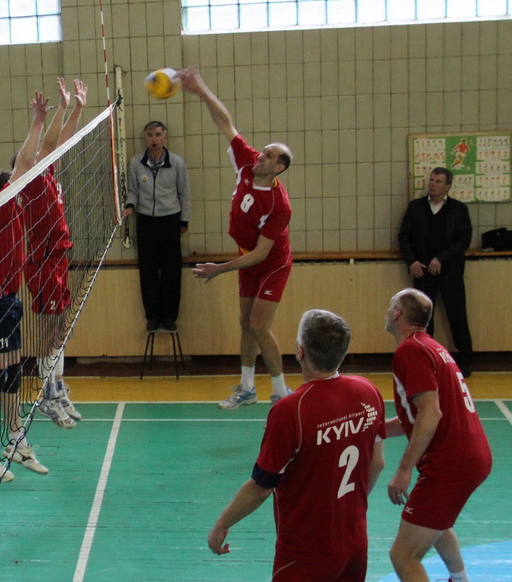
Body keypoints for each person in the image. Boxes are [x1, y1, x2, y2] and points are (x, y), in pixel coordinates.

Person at [207, 309, 386, 581]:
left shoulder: (291, 411)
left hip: (305, 551)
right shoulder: (368, 391)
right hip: (355, 540)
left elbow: (260, 487)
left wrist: (222, 524)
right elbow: (377, 463)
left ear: (300, 352)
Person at [178, 67, 293, 407]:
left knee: (259, 325)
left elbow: (262, 253)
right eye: (263, 151)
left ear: (279, 167)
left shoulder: (278, 204)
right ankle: (246, 388)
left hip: (271, 264)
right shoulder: (247, 163)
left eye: (269, 155)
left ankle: (281, 392)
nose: (261, 155)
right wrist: (201, 90)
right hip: (247, 257)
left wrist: (219, 269)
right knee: (245, 322)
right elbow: (225, 123)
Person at [0, 91, 52, 482]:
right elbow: (25, 164)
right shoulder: (0, 210)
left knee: (14, 369)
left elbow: (27, 166)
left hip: (8, 300)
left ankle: (15, 439)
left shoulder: (1, 210)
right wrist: (38, 120)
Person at [383, 289, 492, 582]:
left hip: (451, 463)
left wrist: (404, 470)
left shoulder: (410, 351)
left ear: (398, 313)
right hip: (470, 456)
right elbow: (417, 416)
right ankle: (460, 579)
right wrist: (374, 430)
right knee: (435, 522)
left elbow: (430, 413)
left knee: (403, 556)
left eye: (391, 306)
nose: (388, 311)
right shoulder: (432, 347)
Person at [19, 78, 87, 430]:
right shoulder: (30, 180)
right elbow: (46, 144)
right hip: (44, 262)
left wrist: (75, 108)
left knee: (61, 325)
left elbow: (60, 142)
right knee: (49, 327)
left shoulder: (48, 173)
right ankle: (46, 392)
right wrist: (54, 111)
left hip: (58, 258)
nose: (45, 155)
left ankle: (57, 386)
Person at [398, 167, 473, 376]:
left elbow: (463, 240)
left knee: (457, 315)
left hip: (450, 271)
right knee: (423, 319)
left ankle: (465, 360)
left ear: (447, 186)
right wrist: (412, 261)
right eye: (431, 180)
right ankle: (425, 359)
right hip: (422, 271)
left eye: (438, 181)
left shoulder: (458, 209)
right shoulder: (416, 207)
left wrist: (441, 258)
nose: (432, 184)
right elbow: (404, 237)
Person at [122, 121, 191, 332]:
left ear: (164, 137)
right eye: (150, 135)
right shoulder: (136, 162)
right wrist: (130, 206)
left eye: (158, 135)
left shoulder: (176, 162)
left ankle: (169, 316)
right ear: (145, 138)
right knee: (148, 271)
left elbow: (184, 193)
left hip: (170, 219)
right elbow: (133, 191)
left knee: (171, 271)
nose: (154, 139)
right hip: (145, 221)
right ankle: (152, 317)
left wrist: (184, 220)